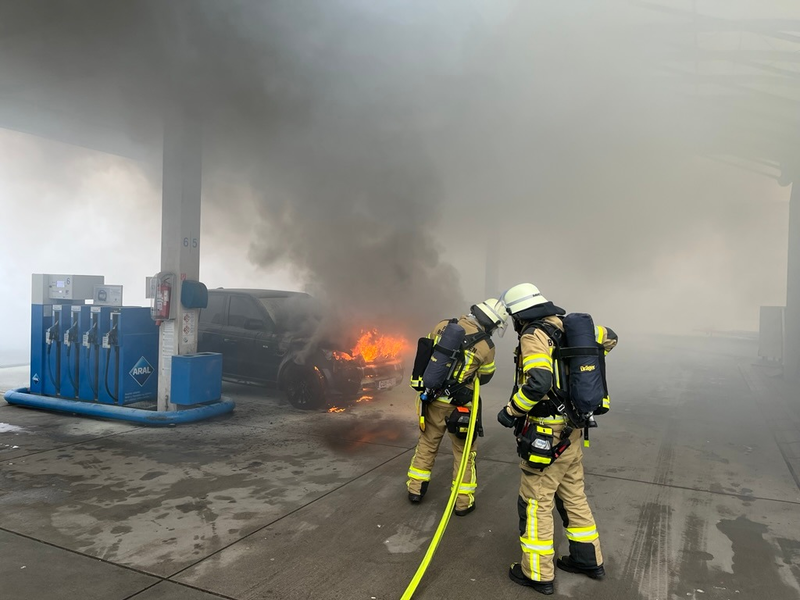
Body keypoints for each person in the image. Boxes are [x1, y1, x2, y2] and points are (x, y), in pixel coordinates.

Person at [496, 283, 618, 595]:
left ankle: (537, 573)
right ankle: (587, 560)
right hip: (573, 430)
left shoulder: (534, 334)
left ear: (518, 314)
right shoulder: (567, 327)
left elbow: (538, 382)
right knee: (573, 496)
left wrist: (511, 410)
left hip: (545, 433)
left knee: (535, 503)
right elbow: (611, 337)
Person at [406, 298, 509, 516]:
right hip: (461, 407)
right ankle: (463, 503)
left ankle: (415, 490)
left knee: (426, 444)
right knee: (465, 454)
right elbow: (486, 376)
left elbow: (427, 354)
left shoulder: (442, 325)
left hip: (432, 400)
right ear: (490, 323)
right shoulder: (487, 346)